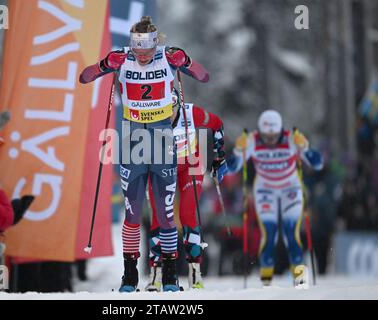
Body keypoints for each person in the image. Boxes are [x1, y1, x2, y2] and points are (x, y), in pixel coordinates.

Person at [79, 16, 209, 292]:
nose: (142, 56)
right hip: (133, 141)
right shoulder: (121, 58)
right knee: (133, 213)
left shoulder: (167, 57)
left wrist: (185, 61)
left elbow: (203, 76)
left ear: (155, 44)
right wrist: (104, 65)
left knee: (164, 214)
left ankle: (171, 277)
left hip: (162, 141)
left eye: (147, 50)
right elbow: (85, 77)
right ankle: (129, 277)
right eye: (137, 50)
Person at [226, 110, 323, 287]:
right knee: (269, 234)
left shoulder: (292, 139)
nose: (270, 141)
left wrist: (306, 148)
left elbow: (318, 163)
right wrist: (238, 151)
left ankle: (301, 281)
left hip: (290, 188)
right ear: (260, 132)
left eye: (273, 136)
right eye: (266, 137)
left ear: (280, 131)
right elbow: (231, 169)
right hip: (266, 190)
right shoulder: (252, 141)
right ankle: (266, 282)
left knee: (291, 233)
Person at [145, 88, 227, 291]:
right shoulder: (148, 116)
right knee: (160, 216)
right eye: (160, 111)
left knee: (188, 214)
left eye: (169, 110)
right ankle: (156, 274)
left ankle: (195, 273)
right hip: (161, 167)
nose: (166, 116)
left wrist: (219, 156)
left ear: (177, 106)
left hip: (190, 165)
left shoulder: (191, 113)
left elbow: (217, 124)